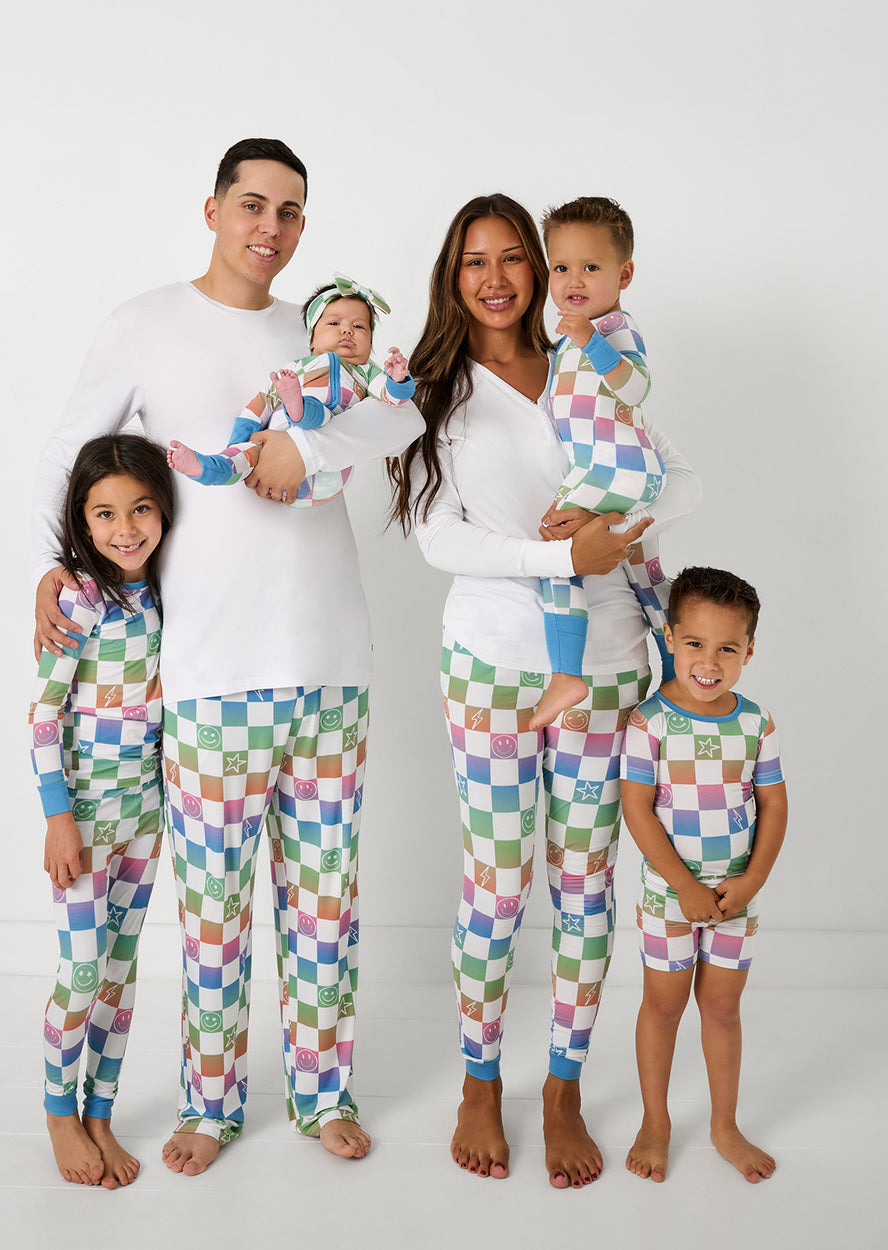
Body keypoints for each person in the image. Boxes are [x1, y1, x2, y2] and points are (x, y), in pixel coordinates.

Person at [32, 138, 424, 1176]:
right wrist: (50, 568)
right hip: (206, 675)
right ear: (211, 209)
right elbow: (66, 456)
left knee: (324, 902)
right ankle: (208, 1104)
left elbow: (401, 412)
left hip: (333, 663)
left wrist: (314, 448)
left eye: (292, 212)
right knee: (212, 915)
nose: (272, 227)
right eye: (253, 204)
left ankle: (321, 1091)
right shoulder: (146, 323)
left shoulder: (322, 332)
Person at [388, 194, 700, 1188]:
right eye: (472, 260)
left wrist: (628, 522)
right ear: (452, 276)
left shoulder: (587, 359)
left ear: (545, 268)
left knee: (584, 881)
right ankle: (480, 1078)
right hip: (490, 661)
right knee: (498, 878)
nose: (493, 277)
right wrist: (561, 549)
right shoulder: (435, 386)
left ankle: (561, 1084)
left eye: (513, 257)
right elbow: (441, 537)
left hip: (605, 661)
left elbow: (676, 478)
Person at [30, 433, 173, 1188]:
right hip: (83, 819)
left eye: (141, 508)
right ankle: (59, 1113)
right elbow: (44, 717)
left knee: (119, 972)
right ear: (83, 524)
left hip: (145, 818)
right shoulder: (80, 599)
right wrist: (59, 817)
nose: (126, 528)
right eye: (106, 513)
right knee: (82, 969)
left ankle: (101, 1112)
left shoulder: (168, 592)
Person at [621, 566, 787, 1184]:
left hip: (735, 897)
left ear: (749, 650)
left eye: (727, 648)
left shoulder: (756, 723)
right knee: (662, 1008)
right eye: (695, 643)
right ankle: (655, 1121)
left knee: (721, 1009)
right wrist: (684, 886)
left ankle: (724, 1124)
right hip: (671, 897)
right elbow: (637, 809)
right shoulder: (648, 723)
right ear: (670, 638)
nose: (709, 661)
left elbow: (774, 805)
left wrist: (751, 883)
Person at [530, 197, 671, 730]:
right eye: (562, 267)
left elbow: (636, 388)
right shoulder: (567, 339)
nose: (574, 280)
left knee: (555, 545)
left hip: (617, 468)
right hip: (626, 470)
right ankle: (676, 663)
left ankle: (567, 673)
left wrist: (593, 341)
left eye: (591, 267)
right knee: (645, 573)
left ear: (624, 273)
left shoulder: (613, 327)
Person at [168, 273, 413, 505]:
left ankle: (301, 409)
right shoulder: (295, 369)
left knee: (322, 414)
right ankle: (207, 467)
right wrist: (238, 441)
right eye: (334, 322)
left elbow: (392, 398)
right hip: (273, 453)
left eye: (359, 327)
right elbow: (262, 402)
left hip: (328, 466)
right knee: (246, 454)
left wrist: (398, 379)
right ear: (312, 339)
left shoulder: (366, 372)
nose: (347, 330)